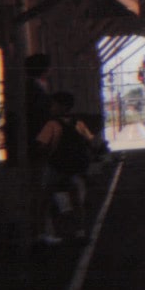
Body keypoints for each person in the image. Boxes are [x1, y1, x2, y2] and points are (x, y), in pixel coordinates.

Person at [34, 91, 97, 244]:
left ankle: (43, 234)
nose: (51, 107)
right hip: (73, 169)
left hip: (55, 168)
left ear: (61, 106)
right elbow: (91, 142)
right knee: (76, 201)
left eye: (54, 104)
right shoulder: (78, 123)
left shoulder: (52, 125)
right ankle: (80, 232)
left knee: (45, 201)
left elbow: (41, 146)